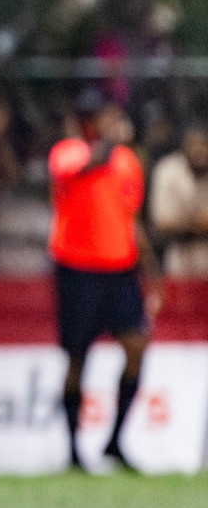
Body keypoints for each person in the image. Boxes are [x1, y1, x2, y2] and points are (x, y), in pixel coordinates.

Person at [48, 91, 160, 472]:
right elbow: (83, 168)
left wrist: (151, 275)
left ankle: (114, 441)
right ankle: (73, 449)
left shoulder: (128, 162)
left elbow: (131, 219)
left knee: (136, 346)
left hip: (120, 270)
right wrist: (112, 140)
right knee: (77, 358)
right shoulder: (68, 152)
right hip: (77, 270)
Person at [148, 120, 208, 276]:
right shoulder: (167, 170)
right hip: (178, 254)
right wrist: (195, 222)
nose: (198, 150)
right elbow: (162, 221)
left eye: (203, 144)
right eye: (192, 144)